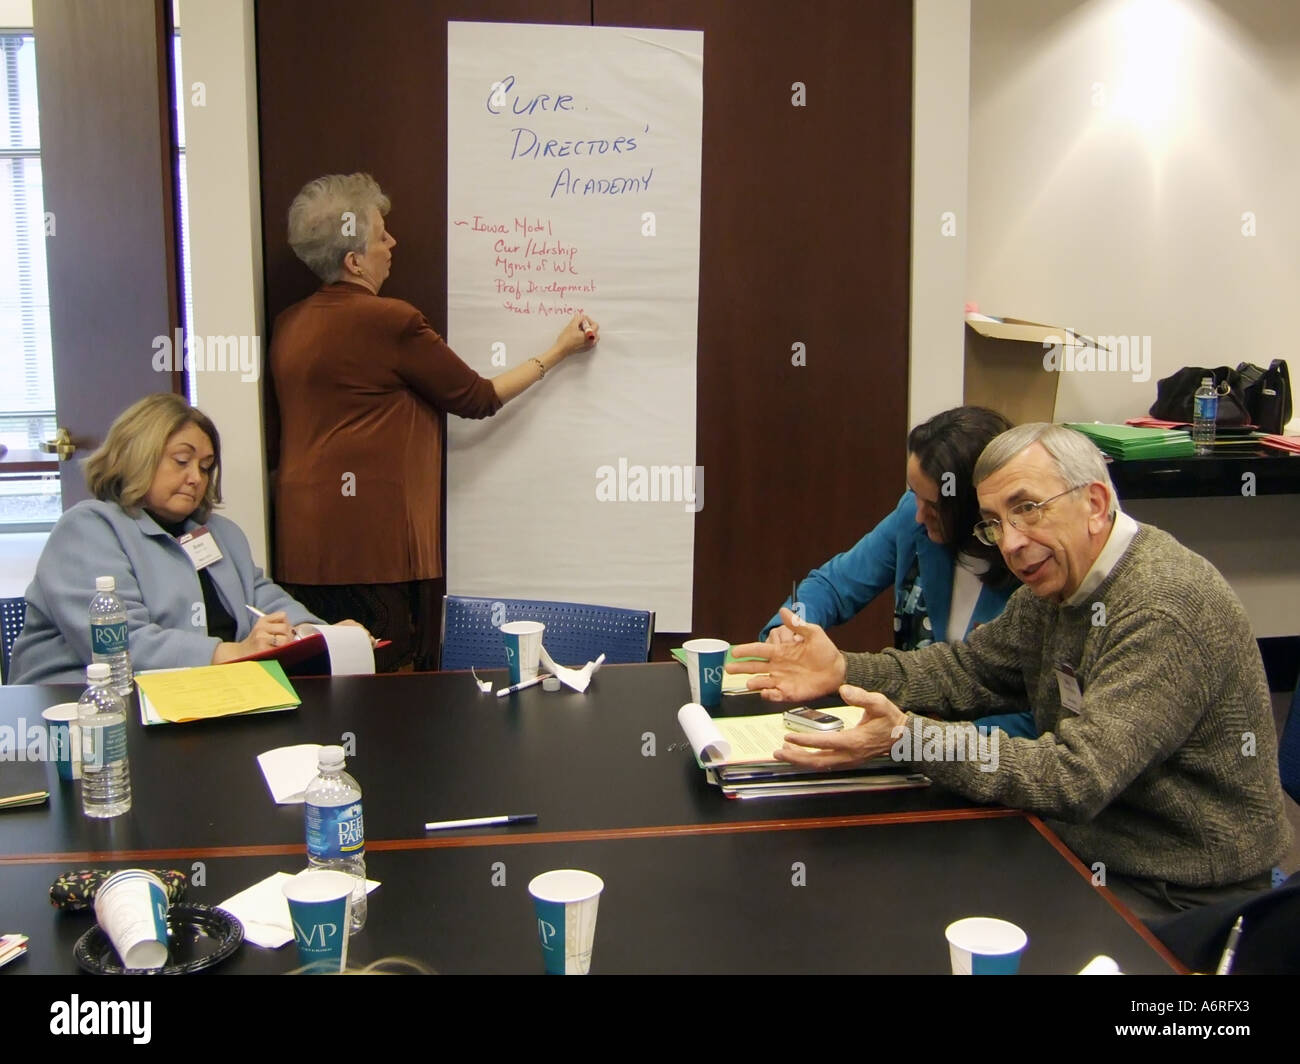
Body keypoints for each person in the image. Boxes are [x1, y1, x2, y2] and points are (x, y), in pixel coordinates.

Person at [728, 423, 1292, 919]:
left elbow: (1077, 776)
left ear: (1095, 503)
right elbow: (968, 671)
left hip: (1179, 888)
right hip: (1084, 847)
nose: (1014, 543)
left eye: (1028, 508)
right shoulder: (1056, 583)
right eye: (995, 523)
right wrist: (844, 668)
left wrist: (908, 738)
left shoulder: (1164, 607)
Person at [269, 173, 599, 672]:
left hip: (301, 550)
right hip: (374, 552)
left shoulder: (288, 324)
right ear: (353, 260)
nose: (393, 242)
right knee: (389, 698)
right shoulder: (389, 321)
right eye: (382, 234)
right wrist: (558, 351)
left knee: (326, 692)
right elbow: (477, 397)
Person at [10, 395, 366, 685]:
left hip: (205, 699)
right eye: (182, 460)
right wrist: (233, 652)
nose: (196, 477)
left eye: (206, 466)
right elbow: (119, 644)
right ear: (137, 455)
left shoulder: (220, 533)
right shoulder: (88, 529)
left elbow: (262, 599)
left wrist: (321, 635)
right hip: (85, 712)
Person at [762, 406, 1030, 737]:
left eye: (933, 506)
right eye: (914, 493)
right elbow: (834, 585)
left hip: (984, 755)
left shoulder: (1031, 568)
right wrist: (792, 626)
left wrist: (926, 739)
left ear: (977, 506)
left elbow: (1037, 720)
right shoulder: (914, 517)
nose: (918, 514)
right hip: (905, 738)